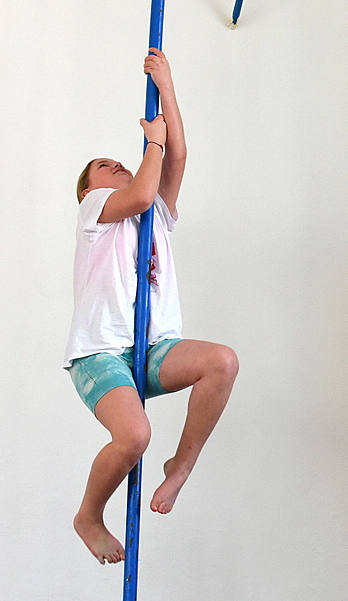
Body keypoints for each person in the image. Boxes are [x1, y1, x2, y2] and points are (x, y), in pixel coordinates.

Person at [65, 48, 239, 565]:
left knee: (221, 362)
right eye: (104, 166)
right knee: (134, 434)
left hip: (152, 346)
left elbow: (176, 159)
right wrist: (153, 144)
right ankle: (88, 516)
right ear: (88, 189)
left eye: (119, 161)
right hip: (101, 352)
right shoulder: (95, 209)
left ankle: (180, 466)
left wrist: (167, 86)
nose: (116, 164)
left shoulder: (155, 213)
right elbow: (140, 192)